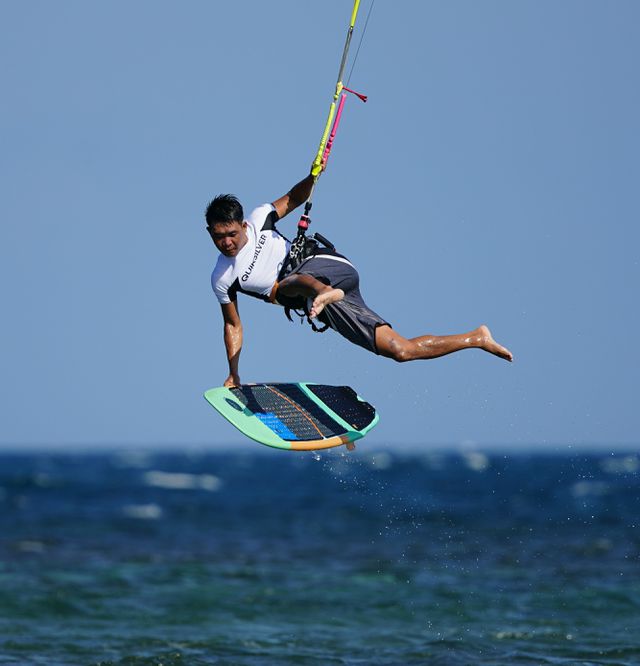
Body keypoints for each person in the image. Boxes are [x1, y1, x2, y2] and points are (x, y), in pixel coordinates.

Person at [206, 171, 513, 388]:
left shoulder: (261, 217)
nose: (227, 243)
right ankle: (477, 338)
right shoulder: (223, 277)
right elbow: (233, 325)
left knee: (281, 287)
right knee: (400, 350)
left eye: (232, 234)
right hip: (319, 302)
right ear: (211, 234)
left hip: (327, 266)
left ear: (243, 225)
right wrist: (234, 373)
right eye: (219, 238)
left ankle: (324, 291)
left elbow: (295, 197)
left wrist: (314, 175)